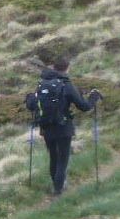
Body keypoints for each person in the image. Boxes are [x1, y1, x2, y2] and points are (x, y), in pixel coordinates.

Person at [24, 59, 101, 196]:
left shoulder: (42, 84)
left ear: (53, 67)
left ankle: (56, 185)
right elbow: (84, 106)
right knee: (62, 159)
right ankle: (58, 191)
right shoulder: (67, 84)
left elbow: (32, 105)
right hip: (64, 127)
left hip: (46, 127)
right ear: (67, 68)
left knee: (53, 157)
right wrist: (93, 97)